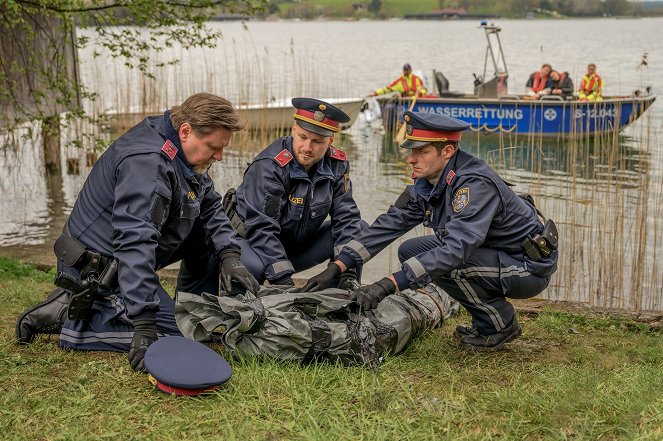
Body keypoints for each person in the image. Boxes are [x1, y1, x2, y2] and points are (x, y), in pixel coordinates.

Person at [16, 93, 259, 371]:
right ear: (186, 131)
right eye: (213, 147)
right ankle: (70, 321)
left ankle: (192, 311)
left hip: (125, 255)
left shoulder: (183, 151)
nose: (219, 156)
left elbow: (209, 204)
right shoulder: (147, 162)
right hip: (96, 265)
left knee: (197, 324)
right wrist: (144, 324)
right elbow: (135, 242)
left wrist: (230, 255)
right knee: (174, 338)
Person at [301, 111, 559, 351]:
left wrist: (387, 285)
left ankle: (498, 325)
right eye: (411, 150)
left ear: (447, 151)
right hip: (495, 254)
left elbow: (457, 249)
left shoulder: (473, 185)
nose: (411, 158)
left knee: (447, 263)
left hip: (526, 267)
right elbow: (388, 225)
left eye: (421, 151)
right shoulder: (429, 180)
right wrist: (338, 266)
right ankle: (490, 318)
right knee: (410, 251)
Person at [225, 98, 366, 289]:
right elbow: (261, 228)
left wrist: (345, 269)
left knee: (359, 229)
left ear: (330, 140)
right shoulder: (270, 166)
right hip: (251, 242)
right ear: (293, 131)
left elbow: (346, 217)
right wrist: (284, 282)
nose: (307, 148)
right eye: (302, 137)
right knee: (253, 267)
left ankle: (342, 292)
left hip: (294, 244)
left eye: (317, 141)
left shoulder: (337, 164)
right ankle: (243, 305)